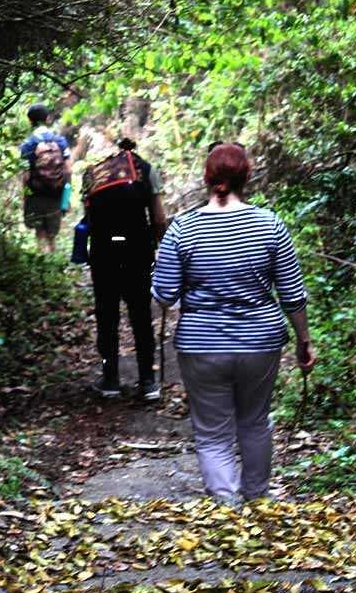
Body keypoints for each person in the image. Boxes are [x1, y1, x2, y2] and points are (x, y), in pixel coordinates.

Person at [151, 142, 315, 503]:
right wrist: (304, 340)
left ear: (207, 179)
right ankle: (257, 500)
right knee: (255, 421)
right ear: (247, 177)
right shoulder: (270, 225)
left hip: (201, 345)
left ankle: (226, 506)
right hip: (260, 342)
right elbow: (292, 292)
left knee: (212, 432)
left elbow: (163, 295)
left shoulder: (183, 228)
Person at [82, 137, 167, 399]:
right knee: (140, 313)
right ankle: (148, 380)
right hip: (136, 248)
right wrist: (160, 246)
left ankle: (110, 379)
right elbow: (159, 217)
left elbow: (87, 217)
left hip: (104, 250)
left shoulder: (92, 174)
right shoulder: (146, 169)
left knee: (107, 315)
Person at [18, 104, 72, 253]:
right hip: (56, 192)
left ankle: (42, 263)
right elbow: (68, 169)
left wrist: (25, 198)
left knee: (39, 231)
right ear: (48, 119)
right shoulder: (60, 141)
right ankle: (53, 261)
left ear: (30, 122)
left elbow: (25, 174)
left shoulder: (28, 145)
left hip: (36, 193)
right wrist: (66, 196)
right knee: (52, 234)